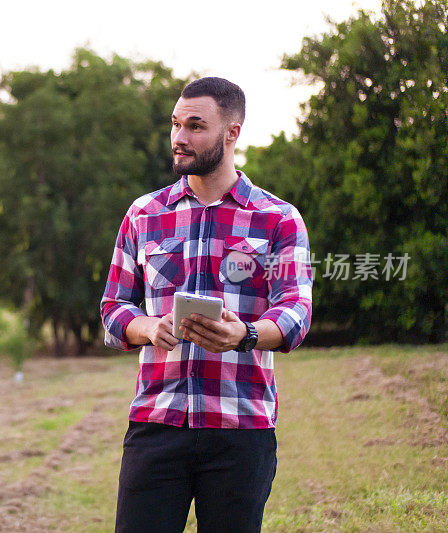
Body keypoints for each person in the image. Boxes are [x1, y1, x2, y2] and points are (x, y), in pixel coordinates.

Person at [100, 76, 313, 532]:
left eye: (195, 126)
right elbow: (114, 307)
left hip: (241, 430)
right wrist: (148, 327)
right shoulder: (144, 214)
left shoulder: (278, 219)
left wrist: (246, 335)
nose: (180, 138)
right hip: (156, 424)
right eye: (176, 124)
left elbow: (296, 310)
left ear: (232, 132)